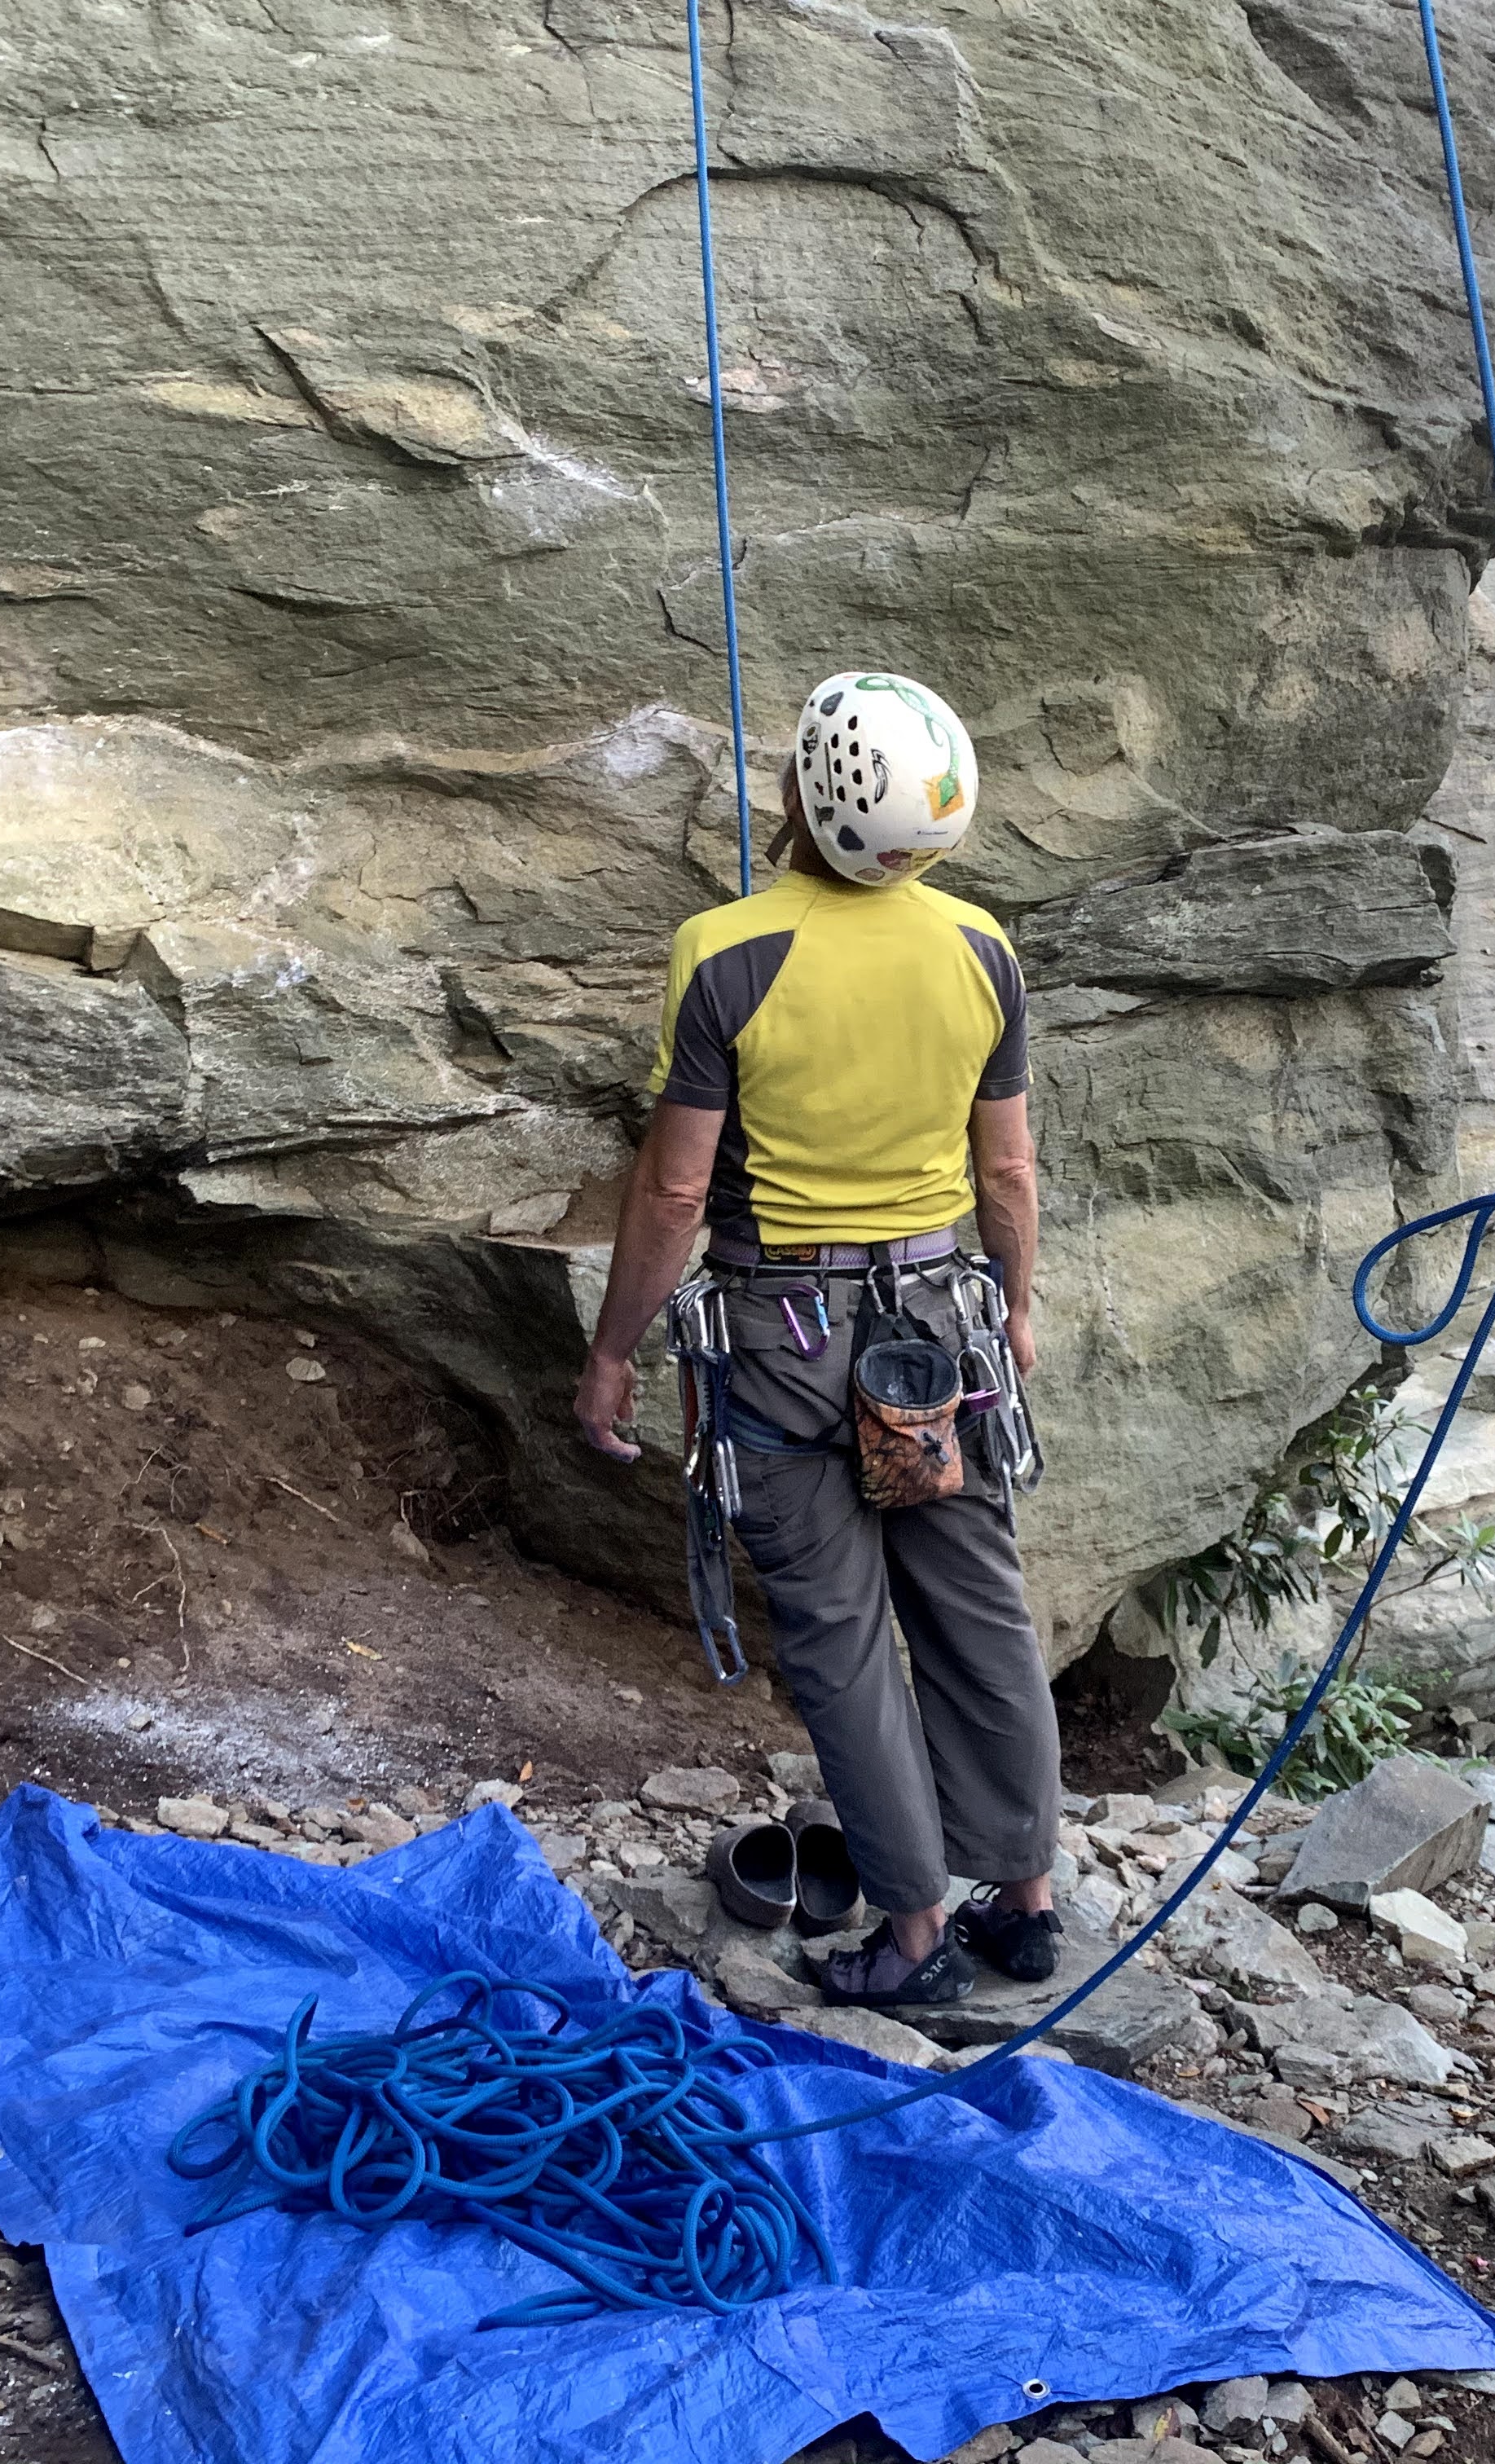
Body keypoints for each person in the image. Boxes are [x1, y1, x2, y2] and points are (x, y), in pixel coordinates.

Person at [570, 671, 1064, 2012]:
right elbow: (1005, 1173)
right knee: (977, 1608)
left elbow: (677, 1189)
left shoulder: (727, 953)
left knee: (843, 1634)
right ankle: (1024, 1904)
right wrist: (1011, 1307)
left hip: (785, 1339)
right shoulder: (980, 947)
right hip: (942, 1333)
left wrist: (615, 1350)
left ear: (800, 792)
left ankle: (914, 1934)